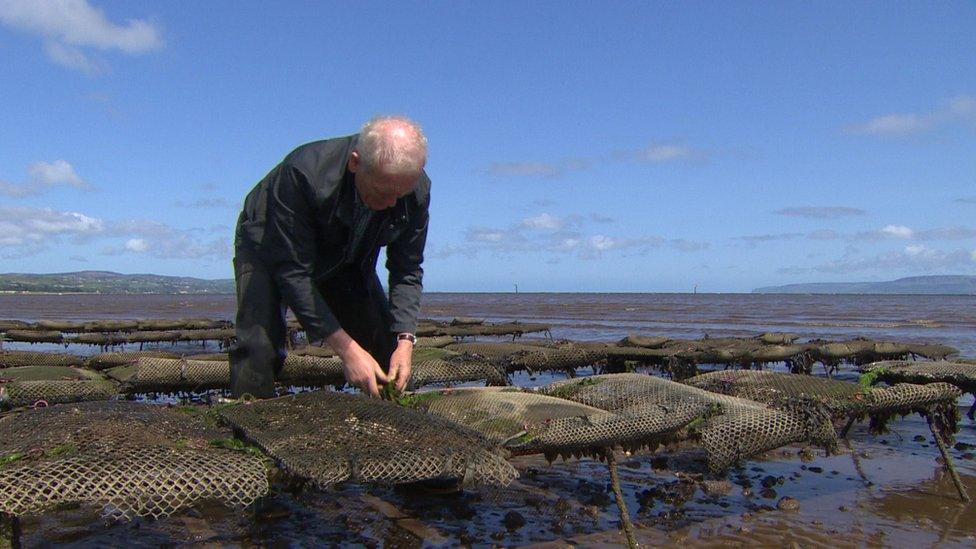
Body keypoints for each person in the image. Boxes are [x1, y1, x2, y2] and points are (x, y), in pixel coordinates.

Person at [230, 116, 429, 399]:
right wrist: (347, 350)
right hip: (269, 244)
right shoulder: (302, 174)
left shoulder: (415, 188)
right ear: (355, 162)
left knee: (387, 348)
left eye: (401, 194)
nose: (392, 204)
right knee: (259, 347)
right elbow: (294, 274)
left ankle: (389, 422)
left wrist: (405, 342)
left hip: (346, 254)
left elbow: (407, 268)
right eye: (383, 192)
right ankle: (249, 417)